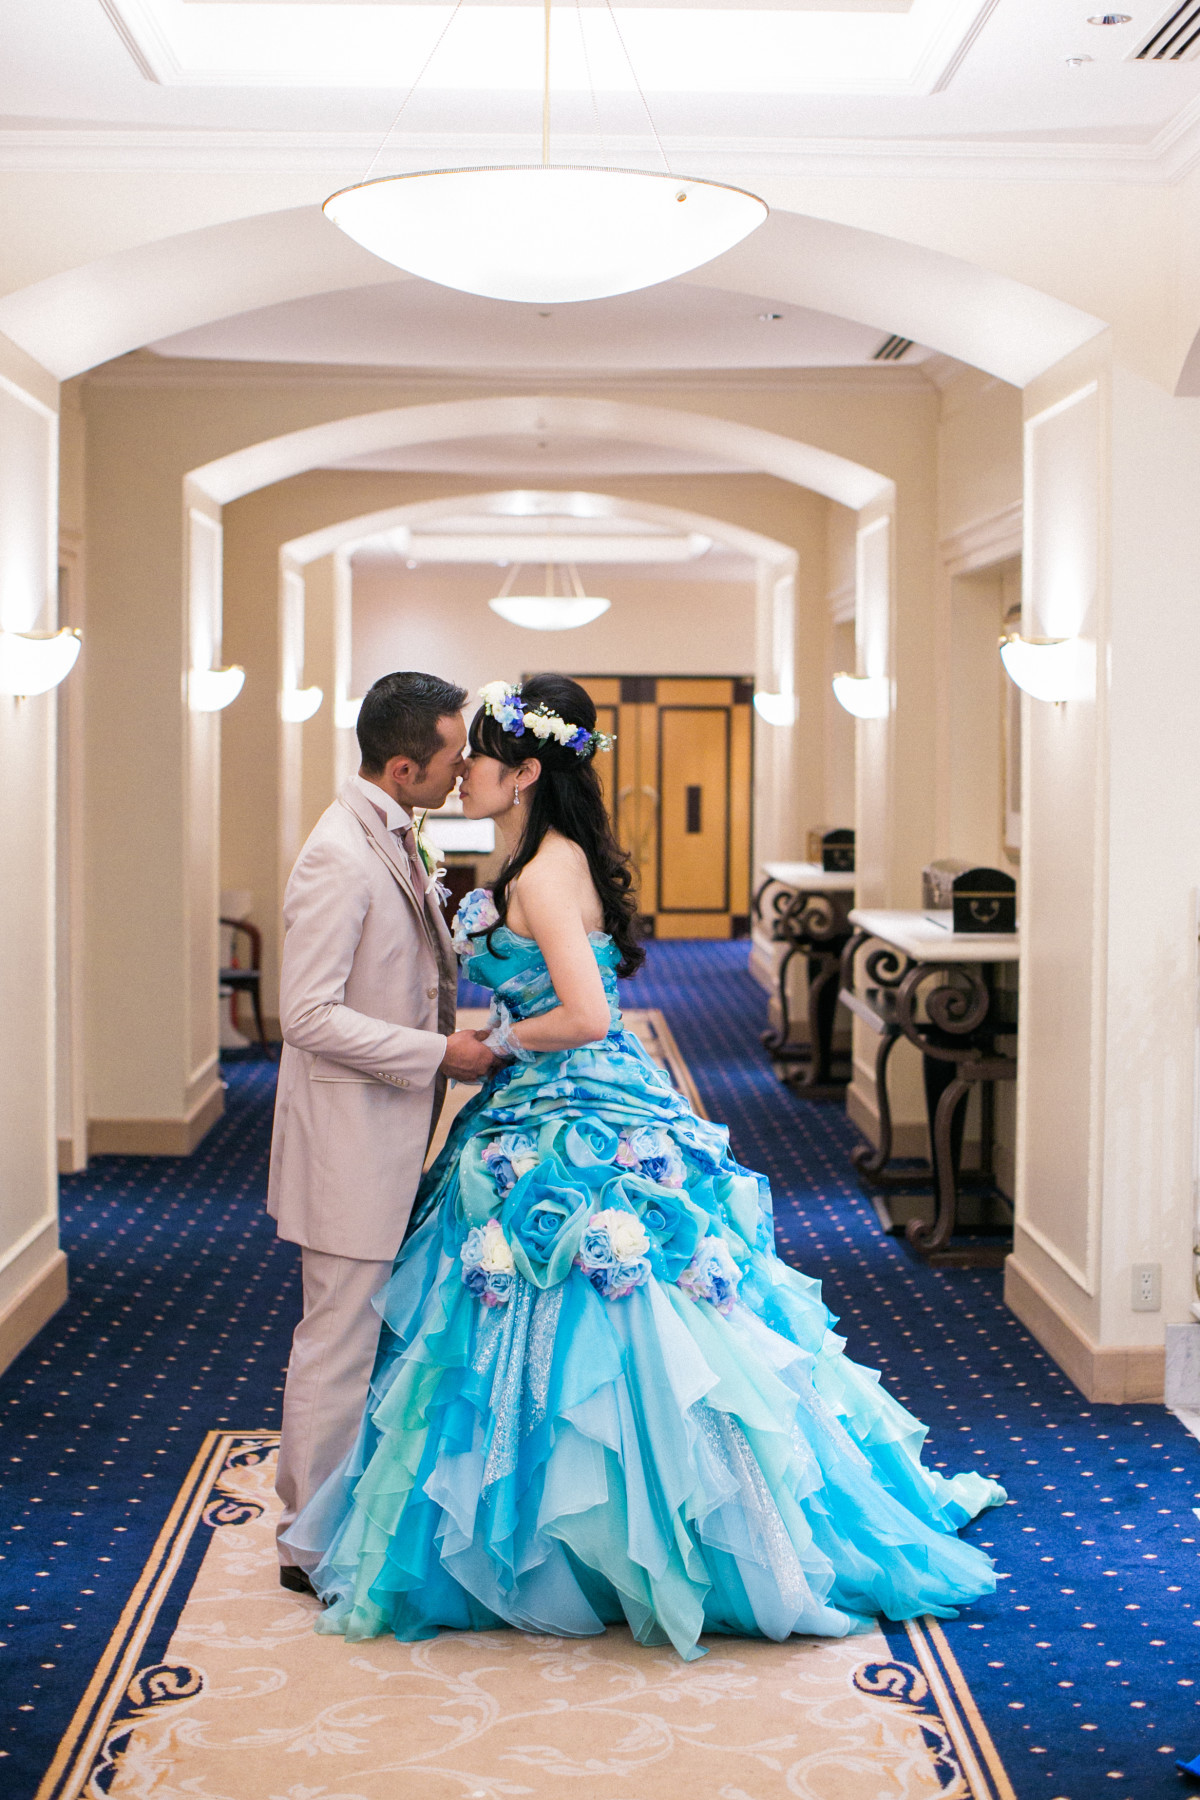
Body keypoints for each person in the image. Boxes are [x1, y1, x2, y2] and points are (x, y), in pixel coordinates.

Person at [283, 674, 1005, 1658]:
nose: (463, 776)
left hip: (569, 1108)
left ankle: (606, 1535)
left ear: (525, 770)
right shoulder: (523, 851)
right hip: (527, 1100)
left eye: (480, 758)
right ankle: (577, 1527)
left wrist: (490, 1042)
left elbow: (587, 1016)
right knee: (553, 1317)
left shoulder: (539, 868)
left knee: (601, 1307)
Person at [267, 670, 498, 1598]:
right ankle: (305, 1548)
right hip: (348, 1142)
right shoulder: (338, 854)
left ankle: (336, 1517)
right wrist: (436, 1050)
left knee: (366, 1334)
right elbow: (307, 1015)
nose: (462, 770)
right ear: (403, 765)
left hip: (393, 1129)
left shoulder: (395, 831)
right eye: (450, 757)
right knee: (338, 1339)